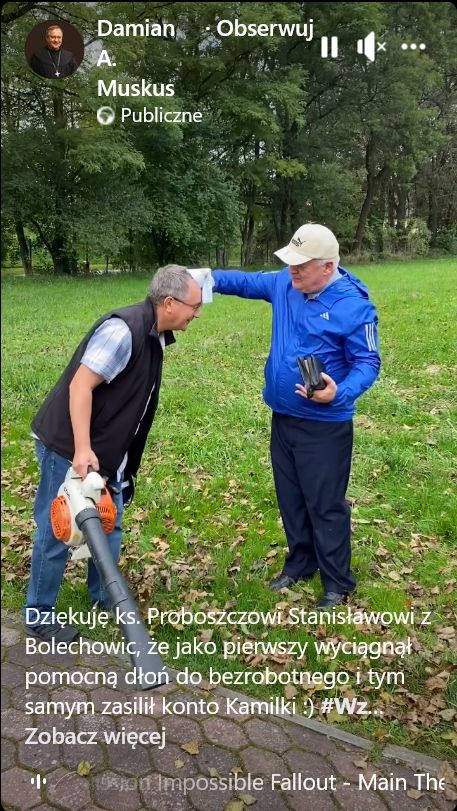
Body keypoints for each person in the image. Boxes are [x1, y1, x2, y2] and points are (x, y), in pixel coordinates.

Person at [24, 265, 203, 641]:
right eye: (194, 307)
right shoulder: (123, 331)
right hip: (69, 446)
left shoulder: (155, 335)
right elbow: (80, 387)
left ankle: (104, 597)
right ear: (169, 303)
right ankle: (39, 614)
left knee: (108, 522)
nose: (196, 315)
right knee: (59, 530)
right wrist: (84, 448)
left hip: (106, 453)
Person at [210, 223, 381, 608]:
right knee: (291, 497)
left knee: (324, 502)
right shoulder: (286, 285)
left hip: (324, 425)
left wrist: (341, 392)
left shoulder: (354, 306)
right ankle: (300, 563)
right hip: (283, 416)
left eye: (301, 266)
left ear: (327, 266)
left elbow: (368, 362)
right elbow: (244, 282)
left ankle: (338, 582)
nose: (293, 271)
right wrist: (202, 278)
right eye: (290, 264)